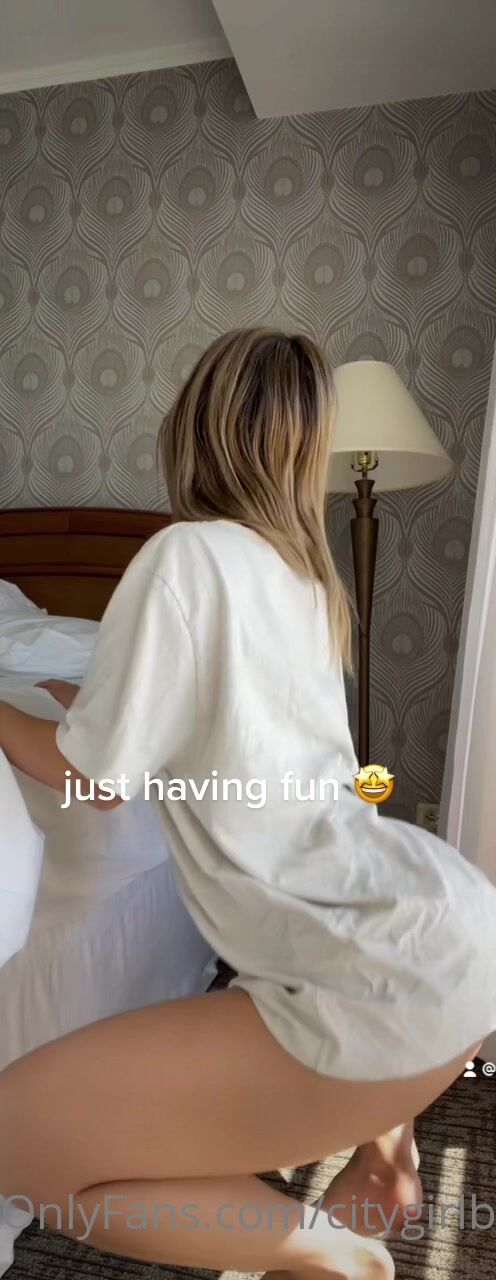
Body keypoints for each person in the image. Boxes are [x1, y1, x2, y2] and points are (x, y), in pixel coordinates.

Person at [0, 328, 495, 1280]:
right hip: (446, 926)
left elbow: (91, 783)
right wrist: (96, 704)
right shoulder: (303, 576)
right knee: (373, 1167)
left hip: (365, 973)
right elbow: (248, 750)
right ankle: (387, 1163)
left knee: (14, 1143)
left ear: (195, 423)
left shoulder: (183, 556)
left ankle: (339, 1258)